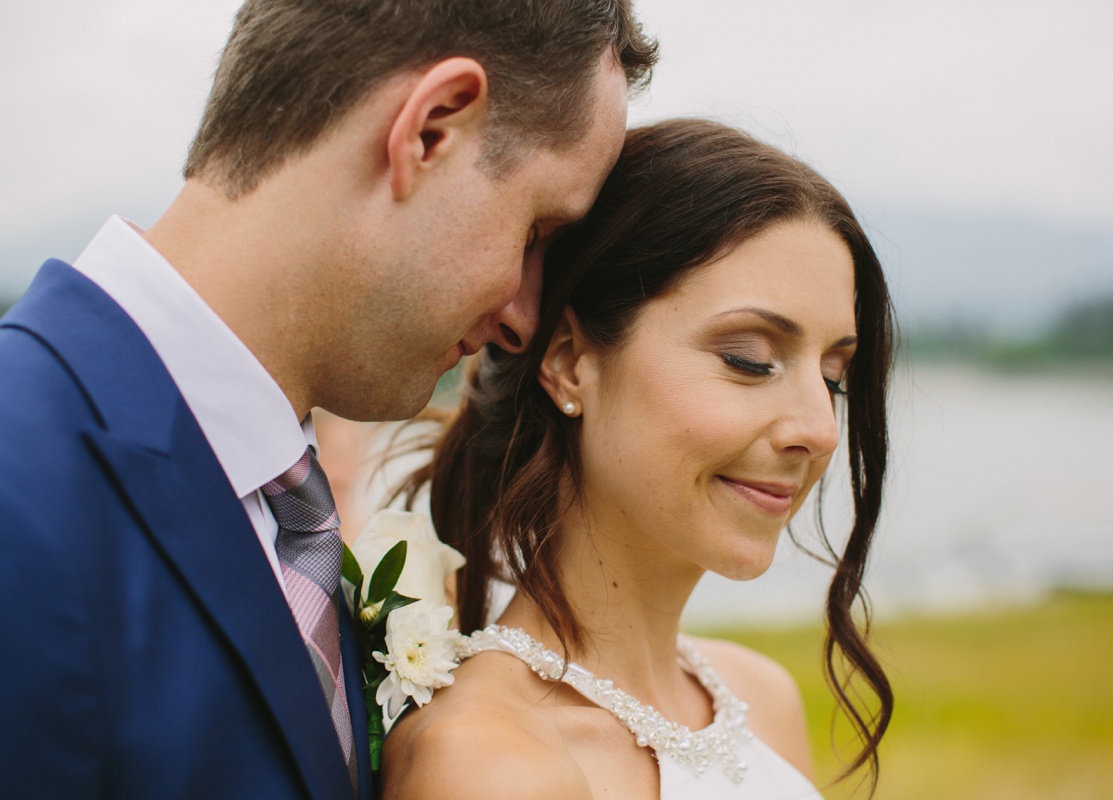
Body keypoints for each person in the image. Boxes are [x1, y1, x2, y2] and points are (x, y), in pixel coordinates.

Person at [0, 2, 656, 798]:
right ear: (430, 131)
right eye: (534, 233)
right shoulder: (20, 481)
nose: (524, 318)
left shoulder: (291, 515)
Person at [382, 119, 896, 799]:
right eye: (750, 359)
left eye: (832, 376)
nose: (821, 429)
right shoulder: (491, 763)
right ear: (569, 363)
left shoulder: (762, 699)